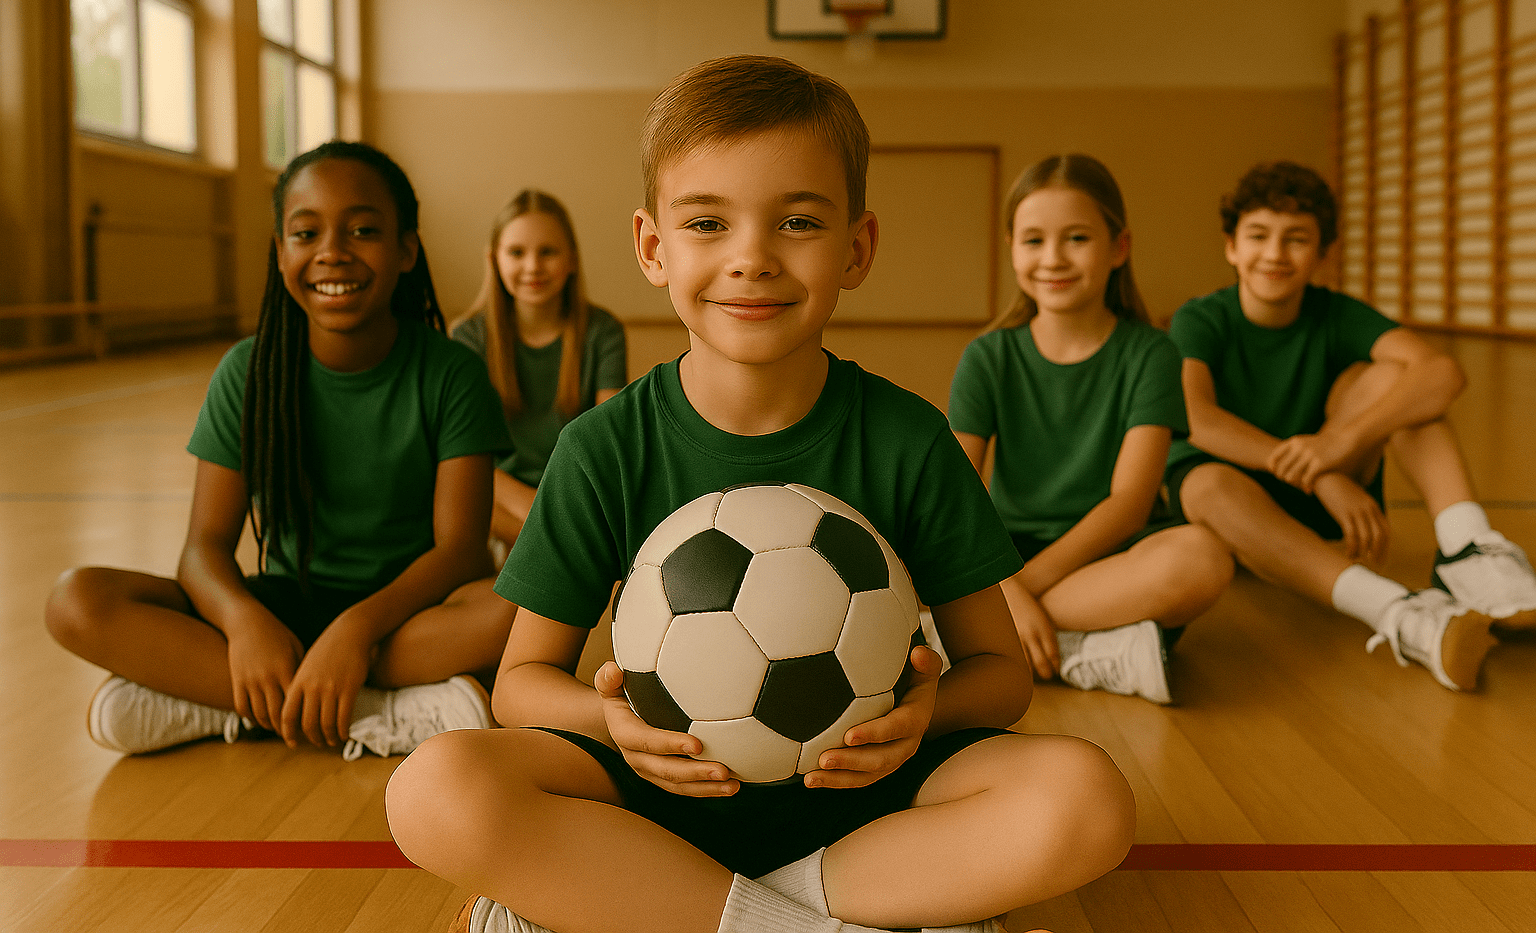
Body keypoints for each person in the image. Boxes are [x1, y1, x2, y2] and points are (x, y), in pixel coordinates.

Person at [385, 57, 1133, 933]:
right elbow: (520, 683)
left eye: (798, 223)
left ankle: (669, 910)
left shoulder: (907, 438)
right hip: (661, 792)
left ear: (856, 248)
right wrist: (615, 725)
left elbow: (1001, 676)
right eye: (708, 222)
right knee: (433, 789)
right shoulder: (605, 447)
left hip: (862, 793)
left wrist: (920, 714)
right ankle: (814, 922)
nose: (752, 258)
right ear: (653, 247)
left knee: (1087, 798)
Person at [45, 140, 518, 758]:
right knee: (76, 601)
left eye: (363, 230)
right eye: (305, 233)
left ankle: (222, 702)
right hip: (283, 611)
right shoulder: (249, 371)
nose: (332, 252)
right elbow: (202, 550)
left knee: (516, 607)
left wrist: (354, 631)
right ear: (280, 251)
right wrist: (244, 626)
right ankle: (375, 709)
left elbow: (458, 551)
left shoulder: (451, 372)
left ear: (405, 250)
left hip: (404, 615)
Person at [1165, 160, 1536, 692]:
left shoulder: (1336, 313)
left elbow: (1441, 372)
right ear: (1231, 247)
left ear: (1322, 254)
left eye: (1296, 239)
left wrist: (1339, 443)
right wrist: (1321, 473)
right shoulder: (1201, 319)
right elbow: (1196, 420)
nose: (1274, 253)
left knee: (1397, 380)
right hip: (1237, 511)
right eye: (1258, 236)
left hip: (1328, 505)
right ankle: (1394, 610)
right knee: (1205, 483)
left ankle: (1467, 546)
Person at [948, 155, 1233, 705]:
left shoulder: (1151, 351)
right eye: (1033, 240)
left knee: (1202, 559)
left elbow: (1129, 503)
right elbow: (955, 494)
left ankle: (986, 635)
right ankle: (1088, 648)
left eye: (1076, 238)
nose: (1053, 258)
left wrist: (1017, 596)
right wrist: (1005, 581)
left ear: (1118, 248)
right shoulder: (988, 357)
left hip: (1108, 559)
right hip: (1003, 559)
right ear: (1012, 249)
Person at [451, 190, 627, 549]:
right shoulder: (467, 337)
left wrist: (558, 516)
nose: (533, 266)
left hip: (576, 501)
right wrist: (538, 520)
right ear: (494, 260)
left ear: (572, 260)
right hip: (496, 505)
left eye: (547, 251)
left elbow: (607, 446)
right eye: (517, 253)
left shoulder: (602, 332)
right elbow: (468, 461)